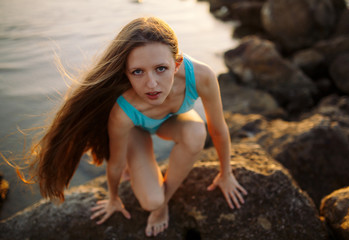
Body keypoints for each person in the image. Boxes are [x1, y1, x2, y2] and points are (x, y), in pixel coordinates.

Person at [24, 17, 247, 237]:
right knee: (151, 200)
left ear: (177, 63)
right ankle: (154, 196)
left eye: (161, 68)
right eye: (138, 72)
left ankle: (164, 205)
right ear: (126, 73)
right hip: (135, 132)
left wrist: (225, 173)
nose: (151, 84)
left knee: (197, 132)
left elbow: (218, 128)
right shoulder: (123, 109)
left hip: (173, 120)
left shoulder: (201, 76)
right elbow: (115, 162)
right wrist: (113, 198)